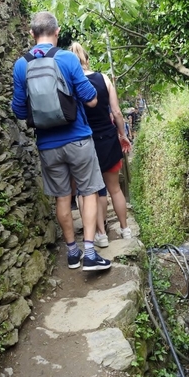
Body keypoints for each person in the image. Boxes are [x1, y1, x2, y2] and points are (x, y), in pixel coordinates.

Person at [11, 12, 111, 272]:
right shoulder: (67, 58)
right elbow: (90, 99)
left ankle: (71, 252)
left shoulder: (21, 65)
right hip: (78, 138)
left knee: (62, 198)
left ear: (32, 35)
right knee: (88, 192)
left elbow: (20, 111)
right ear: (57, 32)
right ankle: (90, 253)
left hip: (47, 145)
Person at [68, 42, 133, 243]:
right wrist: (122, 135)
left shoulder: (71, 82)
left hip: (84, 141)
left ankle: (101, 235)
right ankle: (125, 230)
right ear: (87, 60)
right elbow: (117, 112)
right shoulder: (103, 79)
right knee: (115, 189)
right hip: (109, 138)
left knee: (91, 191)